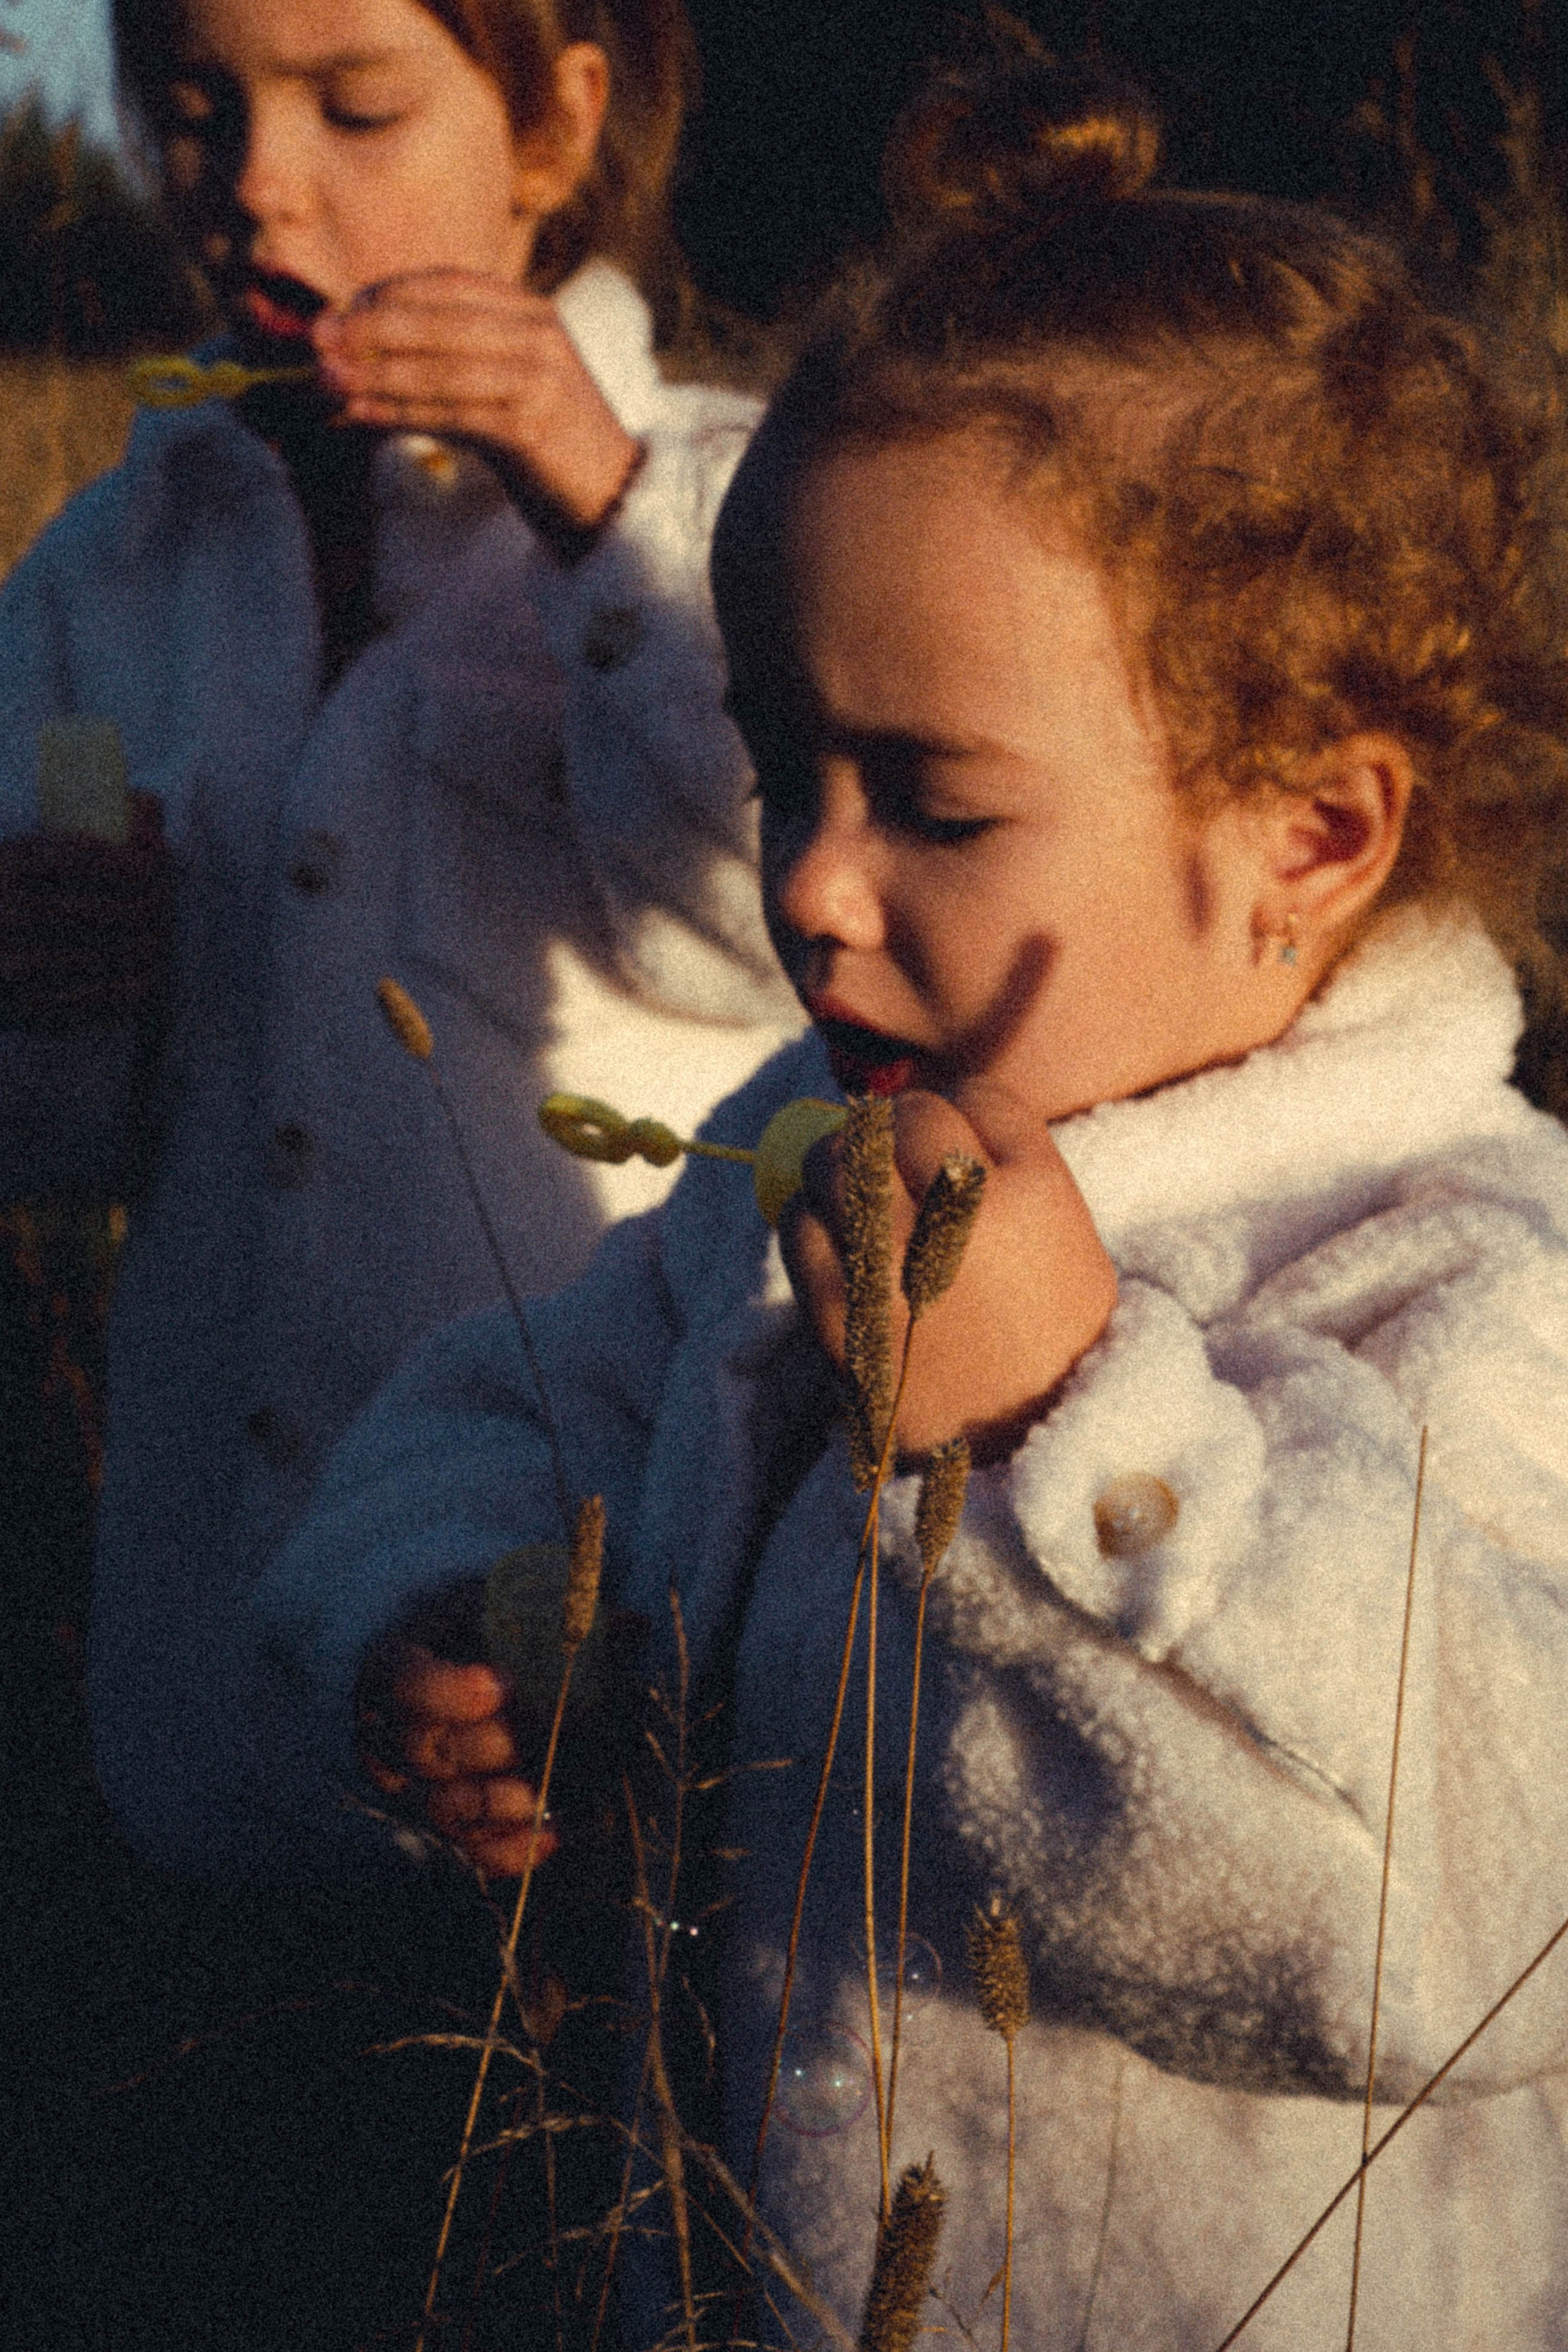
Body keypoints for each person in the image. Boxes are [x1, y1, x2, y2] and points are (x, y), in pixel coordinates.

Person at [252, 44, 1568, 2350]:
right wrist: (430, 1619)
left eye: (935, 804)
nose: (815, 886)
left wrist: (1065, 1415)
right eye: (787, 770)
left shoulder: (1456, 1267)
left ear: (1312, 836)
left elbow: (1447, 1921)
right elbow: (504, 1393)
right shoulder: (793, 1150)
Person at [0, 0, 801, 1875]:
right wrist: (47, 1002)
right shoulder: (107, 568)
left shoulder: (733, 500)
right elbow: (54, 1154)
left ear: (556, 128)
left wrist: (592, 502)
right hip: (219, 1695)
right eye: (196, 114)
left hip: (600, 1652)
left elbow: (769, 926)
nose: (260, 189)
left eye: (356, 108)